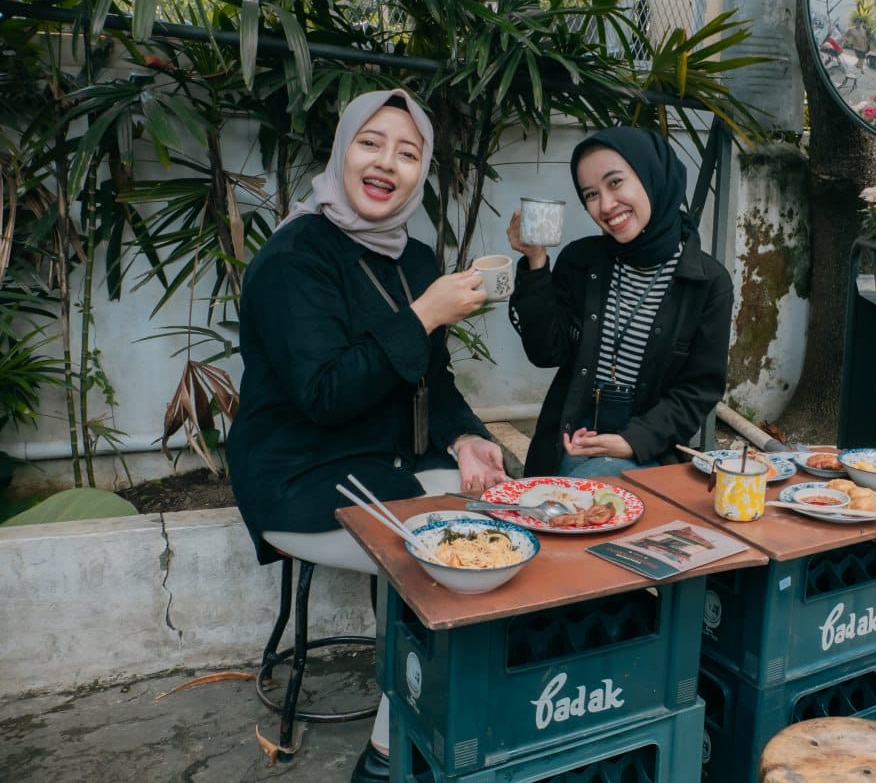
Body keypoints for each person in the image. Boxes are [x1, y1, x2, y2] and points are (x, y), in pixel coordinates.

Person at [227, 88, 506, 783]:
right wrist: (423, 315)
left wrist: (467, 438)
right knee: (447, 552)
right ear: (341, 151)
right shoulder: (293, 258)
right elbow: (324, 395)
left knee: (499, 509)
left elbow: (433, 380)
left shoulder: (415, 260)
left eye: (408, 152)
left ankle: (471, 712)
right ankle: (388, 755)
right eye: (370, 143)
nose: (386, 163)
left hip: (384, 459)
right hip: (300, 473)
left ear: (422, 171)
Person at [504, 127, 733, 479]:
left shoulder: (707, 283)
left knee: (603, 487)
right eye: (591, 194)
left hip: (649, 447)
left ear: (652, 176)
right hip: (573, 437)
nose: (606, 205)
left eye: (615, 183)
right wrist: (536, 263)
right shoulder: (580, 261)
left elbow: (698, 390)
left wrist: (631, 441)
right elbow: (546, 352)